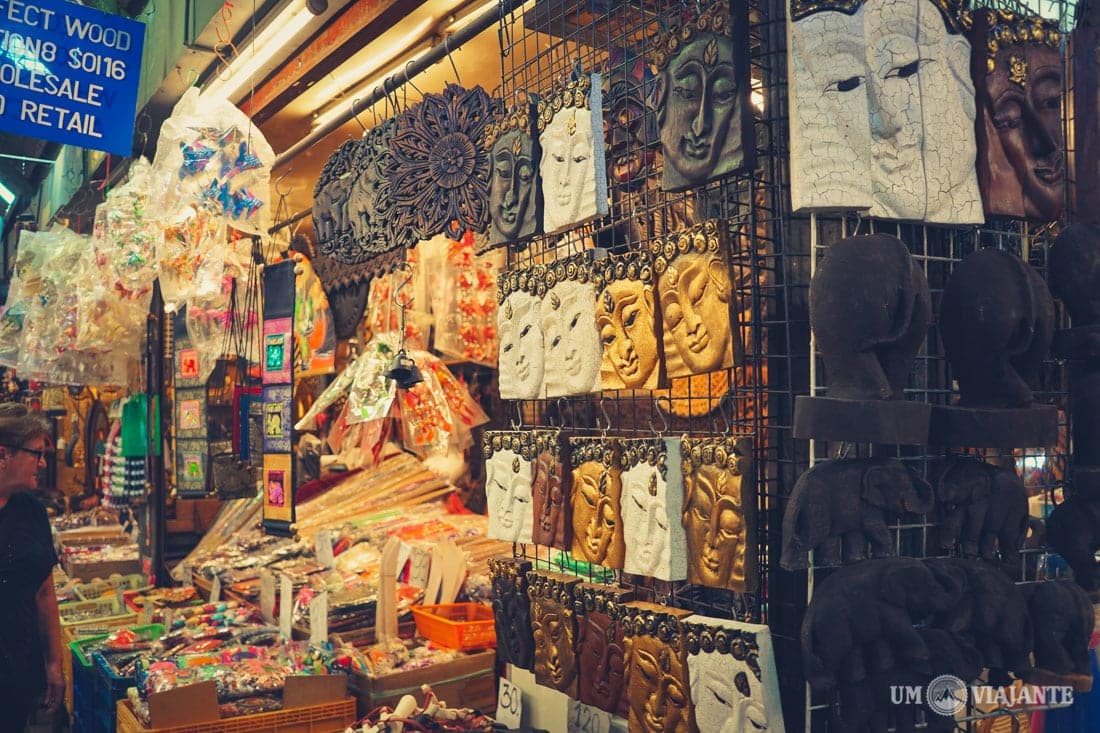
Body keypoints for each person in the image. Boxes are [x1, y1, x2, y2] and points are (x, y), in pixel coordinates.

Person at [0, 403, 62, 731]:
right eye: (36, 453)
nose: (42, 463)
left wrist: (54, 665)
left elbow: (44, 590)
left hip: (18, 677)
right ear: (3, 455)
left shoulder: (32, 511)